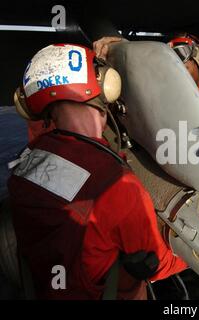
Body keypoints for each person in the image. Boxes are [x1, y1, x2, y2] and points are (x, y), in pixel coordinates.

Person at [7, 44, 186, 299]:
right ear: (105, 85)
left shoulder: (25, 166)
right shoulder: (117, 185)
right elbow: (155, 264)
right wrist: (195, 260)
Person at [93, 34, 199, 107]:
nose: (174, 64)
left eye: (180, 53)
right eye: (168, 57)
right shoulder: (166, 87)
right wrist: (119, 48)